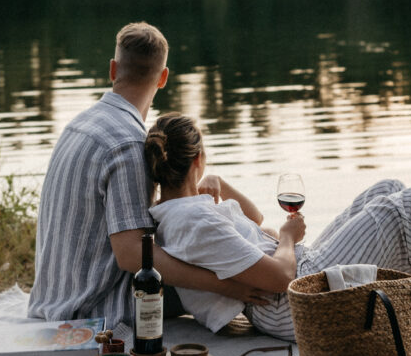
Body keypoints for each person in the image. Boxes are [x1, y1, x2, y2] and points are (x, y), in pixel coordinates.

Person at [144, 112, 411, 346]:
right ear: (196, 158)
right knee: (409, 206)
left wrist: (219, 184)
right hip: (294, 301)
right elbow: (280, 277)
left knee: (388, 189)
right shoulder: (192, 221)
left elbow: (253, 221)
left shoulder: (182, 210)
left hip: (295, 279)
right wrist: (288, 238)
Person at [28, 22, 267, 328]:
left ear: (113, 69)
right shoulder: (128, 144)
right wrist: (224, 286)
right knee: (237, 267)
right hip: (94, 305)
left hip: (55, 294)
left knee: (230, 249)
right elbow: (131, 255)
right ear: (164, 77)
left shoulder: (80, 123)